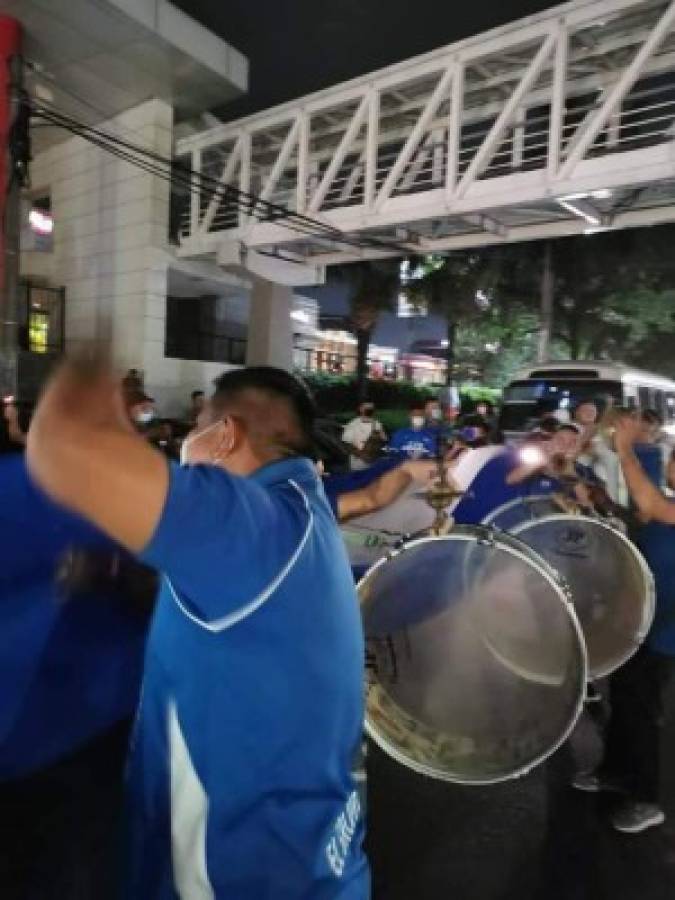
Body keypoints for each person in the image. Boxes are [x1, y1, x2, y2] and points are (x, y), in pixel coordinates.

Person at [27, 362, 369, 899]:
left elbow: (58, 450)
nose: (185, 446)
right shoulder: (303, 510)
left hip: (234, 874)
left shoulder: (246, 521)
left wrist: (87, 365)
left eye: (194, 431)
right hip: (313, 862)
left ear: (226, 434)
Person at [571, 414, 675, 833]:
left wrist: (627, 449)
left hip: (665, 633)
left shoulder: (666, 504)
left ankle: (645, 800)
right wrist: (597, 499)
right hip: (643, 623)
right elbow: (639, 515)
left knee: (642, 713)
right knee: (626, 703)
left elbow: (650, 506)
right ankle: (614, 771)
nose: (670, 464)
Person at [342, 400, 387, 471]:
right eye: (366, 407)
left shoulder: (377, 424)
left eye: (371, 406)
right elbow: (347, 444)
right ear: (360, 409)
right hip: (357, 466)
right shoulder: (353, 424)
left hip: (374, 466)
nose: (369, 408)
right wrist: (363, 455)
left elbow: (384, 442)